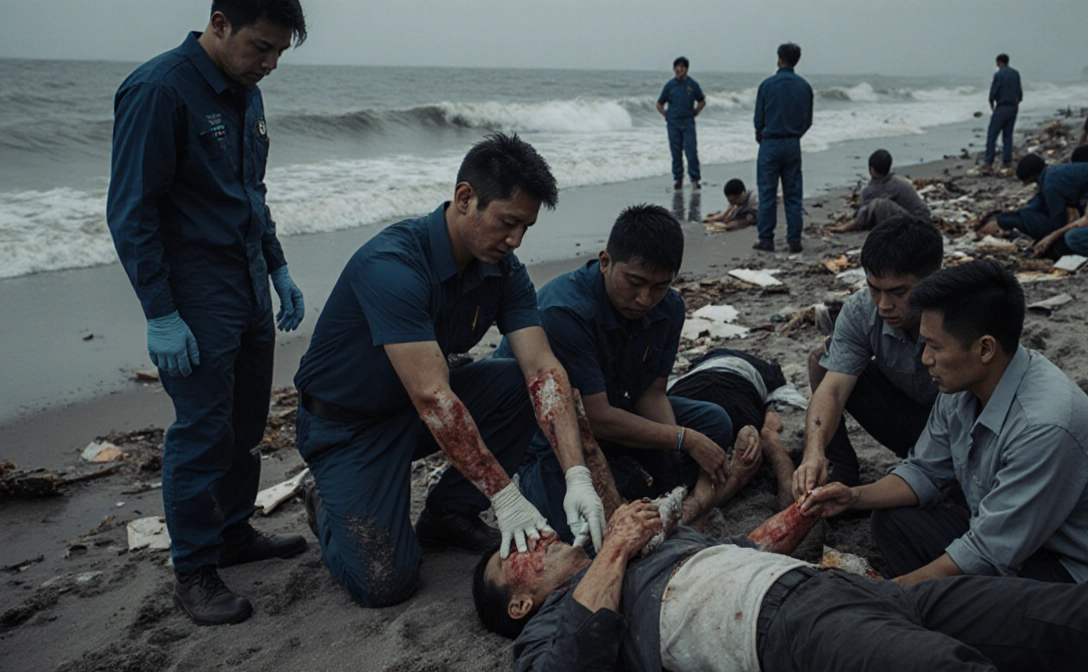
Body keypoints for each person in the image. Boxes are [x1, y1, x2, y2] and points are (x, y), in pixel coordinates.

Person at [293, 133, 607, 608]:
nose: (516, 240)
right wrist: (505, 496)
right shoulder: (393, 264)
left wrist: (578, 475)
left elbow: (544, 369)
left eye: (526, 227)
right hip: (348, 426)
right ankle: (326, 502)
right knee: (386, 584)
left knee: (518, 385)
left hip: (417, 409)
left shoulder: (504, 269)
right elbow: (432, 398)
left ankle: (448, 513)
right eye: (507, 222)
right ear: (465, 199)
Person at [105, 0, 310, 626]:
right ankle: (193, 570)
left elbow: (252, 192)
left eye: (279, 52)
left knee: (246, 423)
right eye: (261, 48)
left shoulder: (248, 91)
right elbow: (132, 212)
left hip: (246, 282)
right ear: (219, 22)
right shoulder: (158, 90)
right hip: (194, 293)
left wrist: (276, 267)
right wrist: (160, 312)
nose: (270, 64)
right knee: (200, 432)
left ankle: (232, 533)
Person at [476, 500, 1088, 671]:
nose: (532, 537)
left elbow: (741, 550)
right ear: (518, 600)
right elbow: (577, 660)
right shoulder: (547, 627)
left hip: (852, 590)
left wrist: (798, 511)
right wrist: (619, 548)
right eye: (516, 554)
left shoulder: (631, 559)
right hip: (781, 630)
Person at [803, 260, 1088, 587]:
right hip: (1014, 542)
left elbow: (988, 553)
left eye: (935, 347)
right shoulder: (963, 386)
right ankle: (940, 606)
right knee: (894, 521)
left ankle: (941, 609)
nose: (925, 359)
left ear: (985, 348)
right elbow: (925, 471)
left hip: (1070, 577)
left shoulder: (1045, 426)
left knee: (960, 593)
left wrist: (887, 593)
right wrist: (853, 497)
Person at [495, 205, 734, 543]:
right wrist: (684, 440)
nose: (644, 299)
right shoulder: (565, 311)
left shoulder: (670, 307)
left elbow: (651, 394)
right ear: (605, 261)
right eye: (635, 282)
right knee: (574, 529)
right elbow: (598, 418)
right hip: (550, 435)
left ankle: (643, 474)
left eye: (659, 286)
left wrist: (670, 467)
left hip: (613, 413)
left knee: (714, 422)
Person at [794, 217, 943, 492]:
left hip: (956, 429)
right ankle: (841, 466)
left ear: (932, 279)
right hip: (904, 420)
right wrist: (813, 453)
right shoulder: (862, 311)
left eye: (899, 292)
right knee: (822, 360)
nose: (885, 305)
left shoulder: (958, 316)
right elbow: (833, 390)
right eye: (875, 289)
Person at [668, 348, 801, 507]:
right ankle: (780, 482)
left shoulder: (692, 372)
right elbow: (777, 412)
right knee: (759, 439)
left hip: (693, 388)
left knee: (688, 469)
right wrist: (768, 430)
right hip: (738, 389)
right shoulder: (768, 374)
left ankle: (702, 501)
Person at [976, 153, 1088, 242]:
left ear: (1033, 176)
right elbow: (1039, 200)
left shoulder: (1051, 184)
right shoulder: (1051, 174)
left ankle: (1004, 222)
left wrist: (1021, 220)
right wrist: (1019, 211)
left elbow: (1057, 221)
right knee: (1027, 213)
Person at [753, 42, 813, 254]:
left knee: (767, 193)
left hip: (770, 142)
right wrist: (795, 134)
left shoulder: (767, 85)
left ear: (779, 59)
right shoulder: (804, 86)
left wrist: (761, 137)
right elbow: (808, 120)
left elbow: (758, 119)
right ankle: (794, 240)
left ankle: (766, 238)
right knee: (793, 194)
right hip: (792, 142)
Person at [830, 149, 931, 233]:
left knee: (879, 204)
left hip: (916, 223)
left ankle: (845, 228)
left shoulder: (886, 186)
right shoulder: (897, 180)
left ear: (871, 169)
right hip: (917, 219)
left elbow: (865, 212)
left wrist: (848, 226)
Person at [656, 56, 705, 190]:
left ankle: (695, 179)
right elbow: (659, 103)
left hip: (688, 122)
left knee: (691, 152)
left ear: (687, 69)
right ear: (674, 69)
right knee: (676, 153)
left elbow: (702, 100)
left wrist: (696, 112)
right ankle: (678, 179)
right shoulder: (670, 85)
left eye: (682, 67)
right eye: (677, 67)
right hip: (673, 123)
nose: (680, 70)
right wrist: (666, 115)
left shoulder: (692, 85)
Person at [982, 53, 1022, 171]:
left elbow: (994, 90)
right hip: (1013, 106)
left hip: (1002, 106)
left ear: (999, 62)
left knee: (992, 134)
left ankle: (988, 161)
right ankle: (1007, 160)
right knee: (1008, 135)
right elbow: (1019, 92)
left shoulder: (999, 74)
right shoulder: (1015, 73)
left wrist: (991, 102)